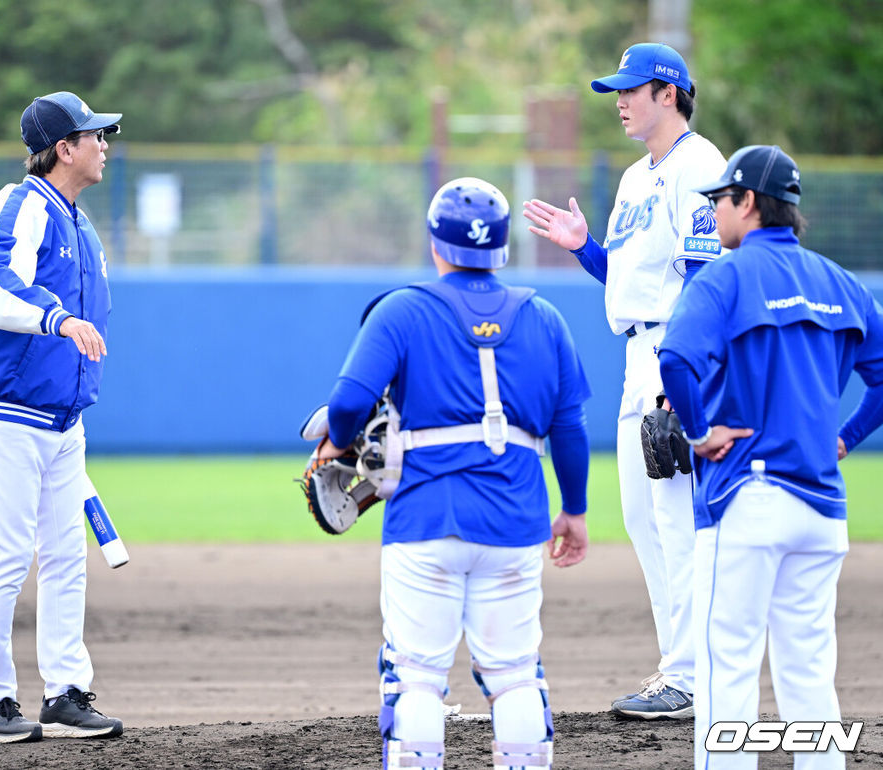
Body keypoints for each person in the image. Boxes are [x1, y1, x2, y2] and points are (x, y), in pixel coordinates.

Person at [316, 177, 591, 770]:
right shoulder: (544, 318)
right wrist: (574, 510)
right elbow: (569, 428)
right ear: (502, 247)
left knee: (416, 676)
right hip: (515, 521)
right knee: (515, 674)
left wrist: (337, 442)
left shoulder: (402, 310)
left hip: (425, 518)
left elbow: (348, 403)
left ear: (435, 243)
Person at [659, 145, 883, 769]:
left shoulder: (725, 277)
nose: (714, 211)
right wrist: (847, 437)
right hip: (821, 508)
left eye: (720, 199)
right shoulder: (840, 282)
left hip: (747, 499)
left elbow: (674, 359)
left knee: (727, 668)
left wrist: (699, 433)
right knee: (809, 673)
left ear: (749, 202)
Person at [522, 42, 726, 720]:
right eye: (618, 90)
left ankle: (694, 675)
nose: (620, 101)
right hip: (640, 353)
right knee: (644, 520)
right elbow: (627, 276)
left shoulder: (700, 166)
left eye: (632, 89)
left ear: (669, 94)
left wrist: (681, 376)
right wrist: (584, 247)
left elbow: (704, 278)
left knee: (676, 517)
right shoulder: (638, 177)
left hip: (674, 353)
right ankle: (678, 668)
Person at [0, 91, 124, 743]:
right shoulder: (19, 205)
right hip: (5, 411)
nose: (104, 144)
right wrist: (58, 318)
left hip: (61, 419)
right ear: (63, 148)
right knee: (9, 554)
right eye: (94, 134)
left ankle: (64, 693)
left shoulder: (79, 223)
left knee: (66, 558)